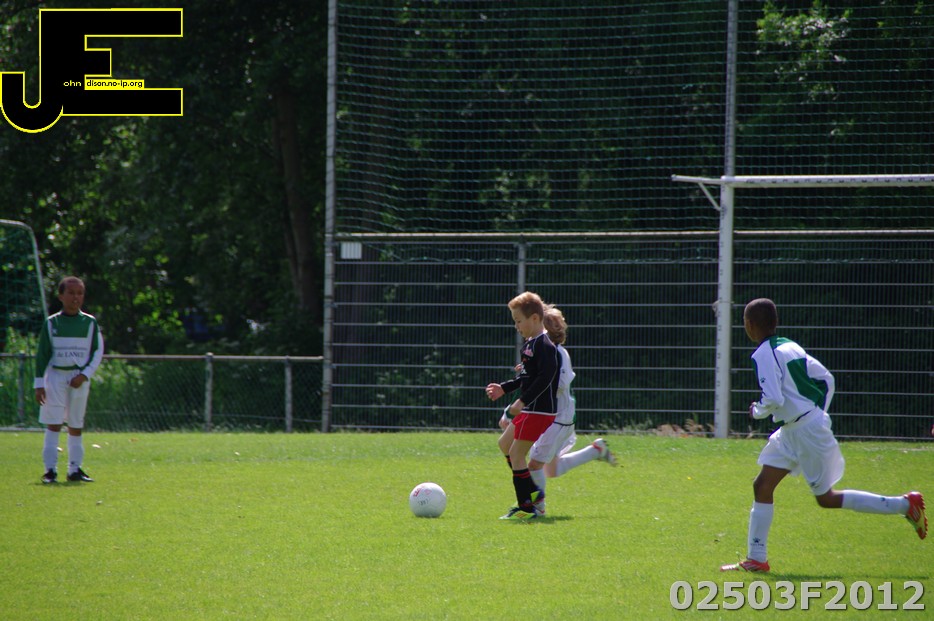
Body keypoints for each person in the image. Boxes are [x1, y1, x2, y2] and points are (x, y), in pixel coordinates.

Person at [721, 298, 927, 572]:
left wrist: (757, 411)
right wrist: (818, 414)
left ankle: (905, 505)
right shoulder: (790, 346)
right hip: (794, 429)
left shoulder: (762, 354)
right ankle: (757, 559)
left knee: (826, 499)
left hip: (804, 431)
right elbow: (827, 378)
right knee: (762, 485)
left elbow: (772, 398)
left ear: (748, 325)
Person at [496, 304, 617, 516]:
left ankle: (535, 507)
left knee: (534, 464)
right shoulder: (541, 351)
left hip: (558, 418)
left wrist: (531, 377)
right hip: (549, 415)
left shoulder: (557, 353)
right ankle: (596, 451)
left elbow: (554, 384)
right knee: (551, 469)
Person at [485, 291, 561, 519]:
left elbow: (545, 378)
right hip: (531, 408)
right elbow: (526, 378)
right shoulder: (530, 344)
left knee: (516, 454)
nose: (516, 326)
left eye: (519, 321)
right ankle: (534, 494)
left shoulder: (545, 345)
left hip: (539, 410)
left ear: (535, 318)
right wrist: (504, 388)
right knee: (504, 444)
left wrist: (523, 400)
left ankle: (527, 508)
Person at [34, 276, 104, 484]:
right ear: (61, 296)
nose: (76, 297)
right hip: (56, 377)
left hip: (78, 378)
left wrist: (84, 375)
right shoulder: (51, 323)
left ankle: (74, 469)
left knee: (76, 424)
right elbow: (42, 354)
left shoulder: (90, 322)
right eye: (71, 293)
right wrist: (39, 384)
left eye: (80, 293)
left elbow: (97, 351)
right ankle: (50, 470)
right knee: (53, 423)